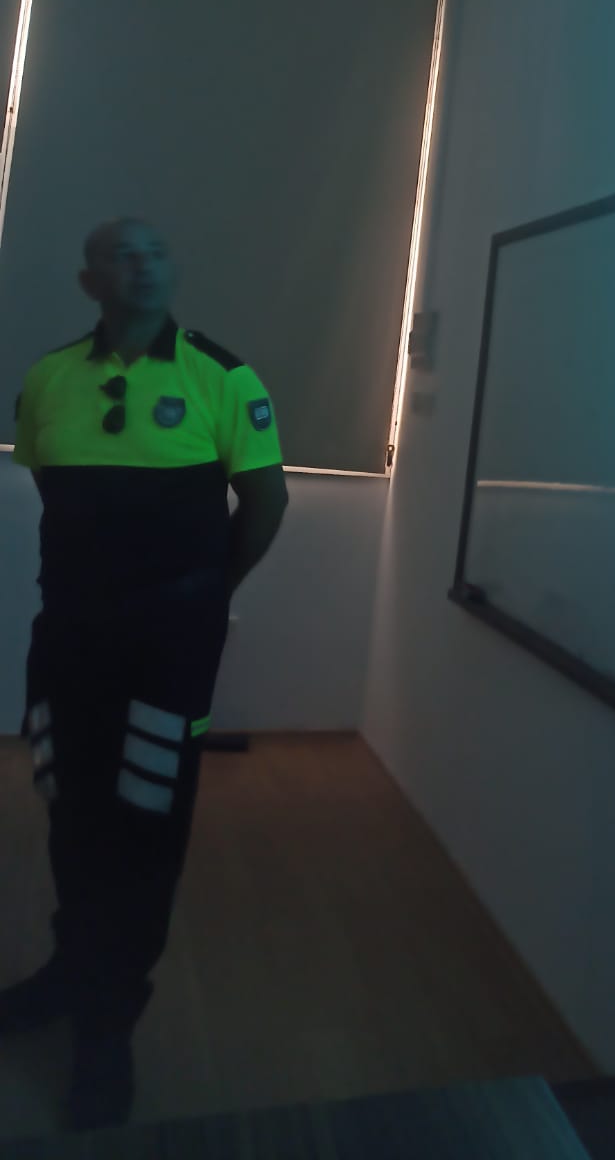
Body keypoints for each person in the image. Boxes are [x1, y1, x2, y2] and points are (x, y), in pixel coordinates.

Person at [2, 217, 288, 1132]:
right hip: (69, 637)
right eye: (122, 253)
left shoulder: (223, 376)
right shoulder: (48, 379)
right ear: (90, 282)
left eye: (156, 250)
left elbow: (267, 500)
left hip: (169, 648)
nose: (143, 264)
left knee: (146, 824)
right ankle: (70, 970)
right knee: (72, 807)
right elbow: (57, 491)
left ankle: (107, 1025)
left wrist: (204, 595)